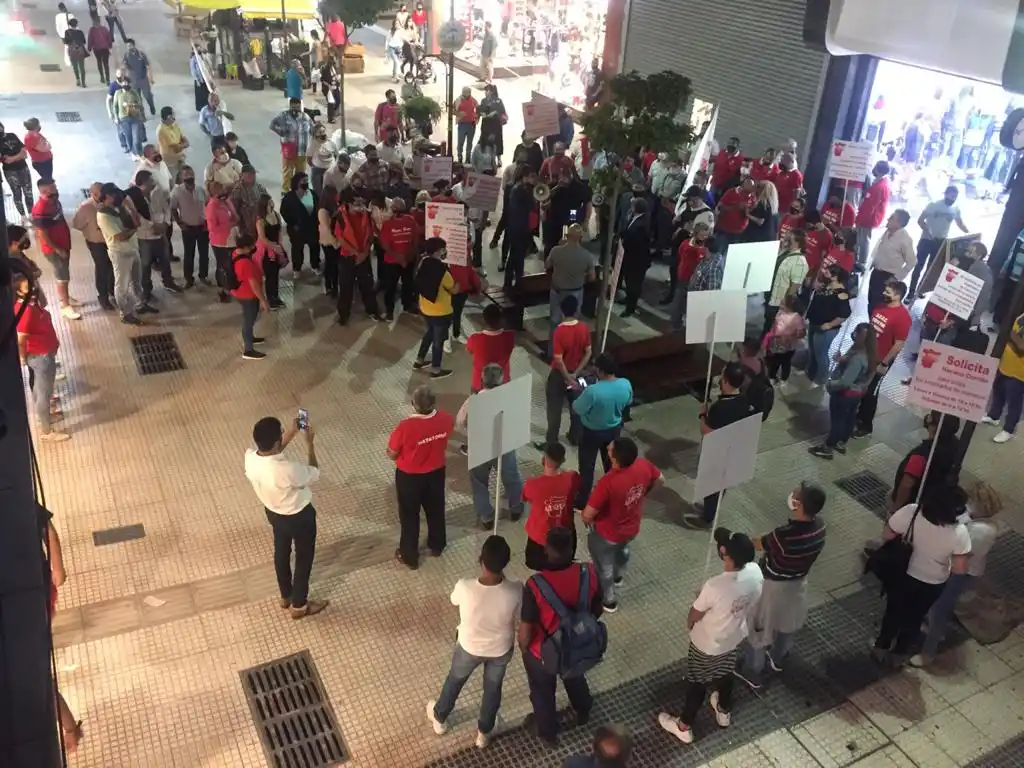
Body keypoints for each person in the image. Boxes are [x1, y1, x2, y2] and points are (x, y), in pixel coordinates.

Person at [658, 529, 763, 744]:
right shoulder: (755, 572)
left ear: (727, 557)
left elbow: (694, 614)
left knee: (698, 683)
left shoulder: (715, 585)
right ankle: (723, 711)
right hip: (733, 638)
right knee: (725, 673)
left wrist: (694, 619)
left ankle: (683, 726)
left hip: (706, 645)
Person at [426, 535, 521, 749]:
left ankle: (440, 718)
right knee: (492, 689)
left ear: (481, 560)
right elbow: (521, 614)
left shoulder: (465, 586)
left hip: (469, 647)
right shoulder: (516, 590)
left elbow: (453, 601)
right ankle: (484, 732)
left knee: (455, 681)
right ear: (506, 563)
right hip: (500, 649)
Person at [733, 482, 826, 690]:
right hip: (798, 582)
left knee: (758, 627)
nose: (792, 495)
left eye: (797, 495)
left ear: (799, 504)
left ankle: (752, 669)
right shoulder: (821, 526)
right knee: (787, 623)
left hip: (772, 586)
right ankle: (778, 657)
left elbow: (760, 544)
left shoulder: (784, 534)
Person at [519, 526, 603, 746]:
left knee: (542, 691)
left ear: (546, 549)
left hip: (544, 652)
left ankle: (548, 733)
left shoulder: (534, 585)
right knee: (574, 674)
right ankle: (583, 709)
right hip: (577, 646)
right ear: (571, 548)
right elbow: (597, 608)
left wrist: (524, 649)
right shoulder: (589, 572)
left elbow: (526, 632)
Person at [872, 485, 971, 664]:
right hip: (933, 582)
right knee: (915, 617)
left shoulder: (912, 512)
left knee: (893, 611)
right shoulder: (960, 533)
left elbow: (887, 534)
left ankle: (881, 646)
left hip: (904, 573)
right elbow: (959, 568)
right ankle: (899, 654)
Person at [245, 415, 327, 619]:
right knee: (303, 556)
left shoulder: (250, 457)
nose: (284, 434)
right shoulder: (287, 470)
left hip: (274, 512)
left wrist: (292, 432)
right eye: (282, 433)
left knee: (281, 551)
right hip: (299, 516)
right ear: (275, 441)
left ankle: (286, 595)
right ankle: (299, 605)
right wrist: (310, 445)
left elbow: (272, 453)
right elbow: (314, 473)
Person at [912, 481, 1000, 667]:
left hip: (960, 573)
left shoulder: (983, 531)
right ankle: (932, 627)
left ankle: (929, 652)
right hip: (956, 569)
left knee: (940, 609)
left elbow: (962, 556)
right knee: (937, 605)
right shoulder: (975, 520)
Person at [581, 437, 662, 612]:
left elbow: (588, 514)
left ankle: (609, 600)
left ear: (614, 458)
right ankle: (619, 575)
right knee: (622, 548)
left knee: (604, 566)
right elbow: (661, 479)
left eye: (610, 448)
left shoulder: (608, 482)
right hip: (632, 526)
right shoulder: (643, 465)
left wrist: (586, 520)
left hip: (608, 533)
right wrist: (643, 494)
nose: (608, 446)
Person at [388, 385, 454, 569]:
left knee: (409, 515)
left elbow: (392, 453)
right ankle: (437, 544)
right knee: (436, 509)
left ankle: (409, 556)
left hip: (410, 477)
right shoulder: (446, 419)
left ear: (413, 404)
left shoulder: (405, 427)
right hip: (436, 473)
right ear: (434, 403)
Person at [683, 363, 754, 529]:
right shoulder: (744, 399)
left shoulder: (720, 408)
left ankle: (706, 519)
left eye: (722, 378)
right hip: (733, 452)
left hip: (717, 454)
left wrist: (702, 414)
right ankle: (710, 509)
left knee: (711, 485)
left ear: (727, 382)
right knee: (720, 485)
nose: (719, 381)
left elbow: (707, 432)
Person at [457, 364, 524, 527]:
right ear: (501, 379)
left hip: (480, 446)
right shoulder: (509, 398)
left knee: (479, 482)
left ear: (482, 379)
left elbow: (460, 422)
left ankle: (486, 516)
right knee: (511, 476)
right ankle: (516, 507)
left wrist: (470, 434)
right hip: (504, 445)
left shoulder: (472, 401)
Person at [572, 353, 633, 509]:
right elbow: (628, 402)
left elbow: (577, 408)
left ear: (599, 370)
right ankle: (610, 496)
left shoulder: (593, 391)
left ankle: (583, 500)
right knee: (612, 466)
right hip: (613, 430)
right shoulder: (625, 384)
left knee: (587, 468)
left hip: (591, 433)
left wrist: (579, 392)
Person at [14, 272, 68, 442]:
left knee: (40, 389)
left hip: (43, 353)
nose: (33, 288)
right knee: (44, 392)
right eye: (27, 287)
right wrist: (22, 357)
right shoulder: (26, 312)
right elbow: (21, 339)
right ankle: (47, 431)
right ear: (18, 292)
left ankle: (44, 417)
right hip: (41, 356)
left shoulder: (30, 304)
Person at [809, 322, 877, 459]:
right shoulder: (869, 354)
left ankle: (828, 447)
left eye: (856, 333)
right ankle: (841, 442)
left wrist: (830, 384)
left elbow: (845, 381)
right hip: (857, 394)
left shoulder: (858, 358)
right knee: (849, 418)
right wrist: (842, 360)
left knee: (838, 421)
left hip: (845, 395)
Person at [854, 279, 911, 439]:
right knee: (861, 387)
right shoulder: (880, 306)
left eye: (888, 292)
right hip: (866, 354)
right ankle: (857, 415)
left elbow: (898, 344)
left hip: (880, 360)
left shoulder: (902, 317)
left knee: (871, 392)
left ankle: (865, 425)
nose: (883, 293)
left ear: (898, 295)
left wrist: (884, 362)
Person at [96, 182, 151, 325]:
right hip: (120, 254)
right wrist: (135, 228)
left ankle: (140, 304)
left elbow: (136, 220)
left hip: (133, 249)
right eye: (116, 195)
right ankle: (125, 313)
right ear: (107, 196)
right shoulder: (103, 215)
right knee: (122, 286)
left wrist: (132, 208)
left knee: (136, 281)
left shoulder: (120, 208)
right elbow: (120, 237)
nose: (120, 197)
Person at [888, 411, 961, 514]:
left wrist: (896, 509)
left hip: (912, 503)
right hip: (931, 498)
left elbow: (907, 484)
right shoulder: (955, 443)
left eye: (931, 417)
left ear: (934, 427)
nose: (927, 417)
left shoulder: (921, 454)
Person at [31, 178, 83, 321]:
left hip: (63, 244)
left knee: (64, 274)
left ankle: (66, 297)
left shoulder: (53, 201)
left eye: (56, 189)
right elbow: (42, 233)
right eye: (52, 192)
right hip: (54, 249)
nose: (56, 193)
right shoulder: (40, 209)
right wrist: (57, 249)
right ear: (43, 192)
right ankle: (65, 306)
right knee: (62, 276)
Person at [127, 169, 182, 302]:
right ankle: (146, 290)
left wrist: (166, 223)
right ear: (144, 182)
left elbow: (166, 208)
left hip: (161, 233)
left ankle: (168, 282)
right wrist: (154, 227)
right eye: (151, 180)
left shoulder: (158, 192)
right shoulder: (134, 198)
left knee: (165, 260)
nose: (154, 182)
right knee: (145, 265)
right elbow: (136, 217)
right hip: (145, 237)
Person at [907, 186, 970, 300]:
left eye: (955, 197)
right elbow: (920, 220)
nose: (953, 199)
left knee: (930, 268)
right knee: (918, 266)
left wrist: (969, 234)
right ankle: (911, 292)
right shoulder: (934, 205)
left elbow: (960, 223)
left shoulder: (955, 209)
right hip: (927, 240)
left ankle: (920, 289)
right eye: (951, 196)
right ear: (945, 194)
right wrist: (928, 231)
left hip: (941, 242)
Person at [334, 191, 381, 325]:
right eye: (357, 203)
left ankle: (372, 311)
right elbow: (341, 239)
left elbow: (371, 236)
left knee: (367, 286)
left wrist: (365, 253)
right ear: (348, 204)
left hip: (364, 256)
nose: (361, 206)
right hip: (348, 257)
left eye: (362, 202)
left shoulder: (367, 214)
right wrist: (356, 253)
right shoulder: (340, 216)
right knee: (345, 287)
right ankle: (343, 315)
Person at [414, 238, 458, 378]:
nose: (445, 251)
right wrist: (459, 284)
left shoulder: (422, 262)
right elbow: (453, 290)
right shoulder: (443, 270)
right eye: (443, 249)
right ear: (439, 251)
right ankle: (436, 369)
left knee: (429, 334)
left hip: (425, 308)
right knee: (438, 341)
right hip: (441, 311)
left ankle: (419, 360)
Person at [801, 265, 851, 388]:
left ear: (835, 276)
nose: (824, 272)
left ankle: (820, 379)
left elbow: (844, 314)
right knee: (812, 350)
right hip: (814, 322)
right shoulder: (826, 286)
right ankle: (810, 371)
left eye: (827, 272)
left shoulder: (841, 294)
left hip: (826, 329)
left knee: (821, 354)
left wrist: (829, 324)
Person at [666, 186, 715, 305]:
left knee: (685, 276)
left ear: (700, 198)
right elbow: (679, 219)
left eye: (693, 199)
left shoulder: (706, 214)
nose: (690, 202)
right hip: (679, 244)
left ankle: (681, 301)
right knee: (674, 269)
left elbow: (703, 235)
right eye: (689, 199)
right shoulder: (687, 206)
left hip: (691, 250)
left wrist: (688, 229)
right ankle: (671, 293)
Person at [981, 306, 1024, 443]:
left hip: (1019, 372)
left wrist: (1009, 331)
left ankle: (1009, 429)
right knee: (998, 390)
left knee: (1014, 401)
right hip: (1006, 363)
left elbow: (1021, 347)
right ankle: (994, 416)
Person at [72, 183, 116, 310]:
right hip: (96, 242)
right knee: (102, 267)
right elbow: (77, 224)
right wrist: (91, 231)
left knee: (112, 265)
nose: (101, 195)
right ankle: (103, 297)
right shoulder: (86, 207)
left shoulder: (109, 202)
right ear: (93, 194)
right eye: (98, 193)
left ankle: (112, 289)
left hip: (111, 240)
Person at [228, 235, 270, 359]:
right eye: (252, 246)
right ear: (246, 248)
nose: (254, 247)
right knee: (249, 320)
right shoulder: (245, 263)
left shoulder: (235, 253)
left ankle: (250, 338)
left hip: (240, 292)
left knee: (249, 318)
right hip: (248, 295)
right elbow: (254, 285)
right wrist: (264, 301)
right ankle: (248, 350)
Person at [546, 224, 595, 327]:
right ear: (581, 238)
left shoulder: (556, 250)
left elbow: (547, 265)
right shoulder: (587, 255)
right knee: (572, 323)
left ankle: (554, 341)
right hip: (576, 292)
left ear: (567, 236)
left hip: (557, 292)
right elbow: (592, 278)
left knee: (555, 322)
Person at [378, 198, 418, 319]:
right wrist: (405, 259)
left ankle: (394, 309)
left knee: (396, 285)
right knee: (402, 284)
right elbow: (415, 243)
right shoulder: (409, 221)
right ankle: (400, 307)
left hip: (396, 260)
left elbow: (385, 245)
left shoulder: (389, 223)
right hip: (404, 261)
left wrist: (401, 258)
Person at [867, 209, 914, 310]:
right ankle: (871, 323)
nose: (888, 219)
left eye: (892, 218)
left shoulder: (905, 240)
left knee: (880, 305)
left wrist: (897, 278)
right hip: (876, 273)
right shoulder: (887, 232)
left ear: (899, 223)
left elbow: (912, 262)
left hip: (888, 277)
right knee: (871, 302)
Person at [169, 165, 208, 288]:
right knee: (189, 254)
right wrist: (180, 223)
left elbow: (207, 205)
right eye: (185, 175)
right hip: (188, 228)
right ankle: (189, 279)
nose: (189, 177)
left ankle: (203, 275)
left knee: (204, 253)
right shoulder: (176, 192)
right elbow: (173, 209)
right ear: (181, 177)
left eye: (191, 174)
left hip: (202, 227)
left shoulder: (201, 190)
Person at [764, 228, 808, 336]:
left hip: (780, 301)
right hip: (771, 295)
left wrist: (786, 303)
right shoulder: (785, 252)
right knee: (767, 322)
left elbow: (795, 285)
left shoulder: (800, 262)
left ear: (797, 242)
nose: (786, 238)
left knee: (773, 328)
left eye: (789, 237)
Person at [670, 222, 711, 331]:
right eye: (702, 235)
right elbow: (683, 253)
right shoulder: (688, 246)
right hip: (685, 277)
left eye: (706, 235)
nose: (704, 237)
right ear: (695, 234)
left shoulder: (703, 247)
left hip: (695, 279)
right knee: (679, 300)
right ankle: (676, 323)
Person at [205, 180, 239, 303]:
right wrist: (231, 224)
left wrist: (235, 219)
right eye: (220, 190)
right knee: (224, 265)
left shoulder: (225, 201)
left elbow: (234, 215)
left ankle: (231, 286)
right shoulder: (212, 206)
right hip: (220, 241)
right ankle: (224, 290)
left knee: (231, 264)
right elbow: (212, 228)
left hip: (231, 237)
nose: (223, 192)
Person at [269, 98, 313, 192]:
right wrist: (282, 132)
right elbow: (272, 125)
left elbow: (312, 129)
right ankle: (285, 192)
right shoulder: (283, 116)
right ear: (290, 106)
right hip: (289, 150)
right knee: (287, 172)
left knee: (300, 172)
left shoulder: (305, 117)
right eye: (294, 106)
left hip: (302, 150)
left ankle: (298, 190)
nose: (296, 109)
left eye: (298, 106)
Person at [854, 161, 892, 269]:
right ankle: (860, 260)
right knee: (862, 238)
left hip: (869, 217)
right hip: (869, 215)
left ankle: (861, 262)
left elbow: (871, 206)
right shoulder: (881, 183)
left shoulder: (879, 186)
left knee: (864, 239)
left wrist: (860, 219)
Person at [763, 293, 806, 386]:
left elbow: (801, 332)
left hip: (788, 346)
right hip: (776, 342)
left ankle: (783, 379)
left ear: (790, 307)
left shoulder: (796, 318)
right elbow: (775, 323)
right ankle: (772, 377)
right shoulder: (780, 312)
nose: (781, 305)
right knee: (774, 361)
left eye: (783, 304)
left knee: (785, 362)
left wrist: (791, 337)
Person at [619, 197, 651, 318]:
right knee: (629, 282)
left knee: (634, 284)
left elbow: (634, 242)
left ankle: (630, 308)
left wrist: (623, 240)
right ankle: (628, 299)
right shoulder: (636, 219)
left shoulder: (641, 225)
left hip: (636, 261)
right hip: (631, 258)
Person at [255, 194, 286, 310]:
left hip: (276, 247)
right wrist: (274, 247)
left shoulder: (276, 215)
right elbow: (262, 238)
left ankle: (276, 297)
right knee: (269, 275)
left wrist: (280, 246)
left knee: (275, 274)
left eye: (272, 201)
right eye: (269, 202)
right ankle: (270, 299)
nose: (272, 204)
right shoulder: (261, 220)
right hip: (266, 251)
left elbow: (279, 232)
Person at [564, 724, 633, 768]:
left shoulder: (573, 763)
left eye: (620, 747)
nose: (615, 749)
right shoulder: (574, 764)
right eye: (611, 743)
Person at [110, 77, 145, 157]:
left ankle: (139, 152)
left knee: (137, 137)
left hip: (135, 117)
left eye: (127, 83)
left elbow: (140, 103)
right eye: (124, 83)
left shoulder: (134, 92)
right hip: (123, 118)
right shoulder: (118, 93)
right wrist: (116, 117)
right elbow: (115, 106)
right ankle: (133, 153)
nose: (126, 84)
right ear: (121, 84)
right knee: (128, 137)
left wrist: (132, 105)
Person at [715, 177, 755, 243]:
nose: (752, 189)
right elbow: (719, 207)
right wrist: (736, 207)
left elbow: (751, 213)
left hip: (739, 232)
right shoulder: (731, 192)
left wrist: (747, 210)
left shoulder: (753, 197)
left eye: (753, 187)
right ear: (743, 185)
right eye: (749, 186)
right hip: (724, 229)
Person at [122, 39, 155, 117]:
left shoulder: (141, 54)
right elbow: (123, 66)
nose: (129, 48)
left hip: (143, 79)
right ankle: (142, 115)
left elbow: (148, 66)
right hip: (133, 81)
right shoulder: (126, 55)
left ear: (134, 45)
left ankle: (151, 106)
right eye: (127, 46)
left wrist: (151, 78)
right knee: (137, 99)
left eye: (130, 46)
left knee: (147, 96)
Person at [156, 107, 189, 182]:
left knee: (184, 177)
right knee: (173, 181)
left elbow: (183, 137)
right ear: (168, 117)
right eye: (173, 115)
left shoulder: (174, 124)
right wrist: (185, 144)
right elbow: (176, 148)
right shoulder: (161, 130)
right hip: (170, 162)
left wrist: (183, 144)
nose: (175, 117)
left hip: (180, 157)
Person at [479, 84, 506, 165]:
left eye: (488, 91)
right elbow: (481, 109)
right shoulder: (483, 100)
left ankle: (499, 159)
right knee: (485, 141)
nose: (486, 92)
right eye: (485, 91)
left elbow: (502, 110)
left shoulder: (498, 100)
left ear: (492, 92)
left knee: (497, 142)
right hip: (486, 124)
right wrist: (482, 113)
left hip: (495, 124)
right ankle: (486, 158)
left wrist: (495, 113)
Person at [802, 209, 834, 276]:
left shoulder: (827, 236)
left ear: (814, 222)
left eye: (808, 223)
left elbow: (823, 257)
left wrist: (814, 275)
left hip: (810, 270)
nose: (806, 225)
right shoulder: (808, 229)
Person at [454, 86, 478, 164]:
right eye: (466, 92)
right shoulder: (458, 100)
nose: (468, 94)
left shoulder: (473, 99)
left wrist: (477, 117)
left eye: (469, 92)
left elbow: (478, 108)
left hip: (471, 124)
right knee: (460, 142)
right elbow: (453, 111)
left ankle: (468, 158)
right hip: (462, 124)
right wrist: (459, 113)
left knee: (469, 142)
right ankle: (460, 157)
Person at [62, 17, 89, 87]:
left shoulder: (67, 32)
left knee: (75, 67)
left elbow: (66, 42)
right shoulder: (80, 32)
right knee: (82, 68)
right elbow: (84, 41)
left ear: (70, 25)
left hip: (72, 52)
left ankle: (77, 79)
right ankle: (83, 82)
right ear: (76, 24)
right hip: (80, 51)